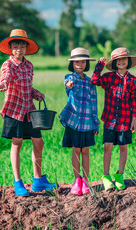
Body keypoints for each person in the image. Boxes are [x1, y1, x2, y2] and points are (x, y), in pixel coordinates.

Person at [0, 29, 57, 196]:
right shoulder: (7, 65)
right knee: (17, 143)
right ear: (10, 49)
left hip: (30, 111)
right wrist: (3, 84)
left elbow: (27, 86)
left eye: (22, 45)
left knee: (39, 143)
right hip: (14, 110)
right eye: (15, 46)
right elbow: (6, 76)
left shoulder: (29, 65)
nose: (19, 49)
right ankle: (18, 182)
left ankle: (38, 180)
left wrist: (35, 93)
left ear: (26, 47)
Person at [91, 47, 136, 191]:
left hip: (125, 119)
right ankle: (106, 176)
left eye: (124, 59)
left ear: (128, 61)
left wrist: (134, 118)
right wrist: (99, 66)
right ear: (114, 63)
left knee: (123, 147)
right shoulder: (108, 78)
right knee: (108, 147)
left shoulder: (133, 80)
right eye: (118, 60)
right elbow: (94, 80)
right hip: (110, 119)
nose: (121, 62)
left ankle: (119, 175)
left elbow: (134, 100)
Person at [59, 47, 100, 195]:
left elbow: (94, 102)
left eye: (83, 62)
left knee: (86, 151)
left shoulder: (90, 82)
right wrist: (68, 84)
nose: (80, 65)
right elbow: (67, 83)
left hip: (88, 121)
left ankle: (86, 180)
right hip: (74, 120)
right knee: (76, 150)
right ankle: (77, 181)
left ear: (86, 64)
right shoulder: (70, 78)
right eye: (77, 62)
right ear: (72, 64)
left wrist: (95, 122)